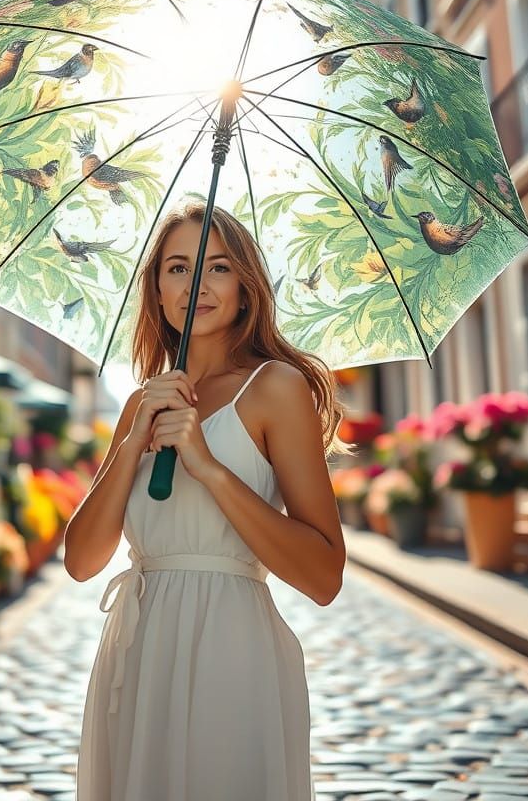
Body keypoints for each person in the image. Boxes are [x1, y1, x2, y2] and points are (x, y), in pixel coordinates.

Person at [66, 201, 349, 801]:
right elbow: (83, 560)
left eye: (217, 267)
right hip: (137, 651)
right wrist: (136, 434)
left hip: (229, 648)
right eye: (177, 268)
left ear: (246, 288)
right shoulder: (143, 403)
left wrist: (209, 467)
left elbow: (324, 575)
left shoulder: (276, 388)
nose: (196, 285)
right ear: (157, 290)